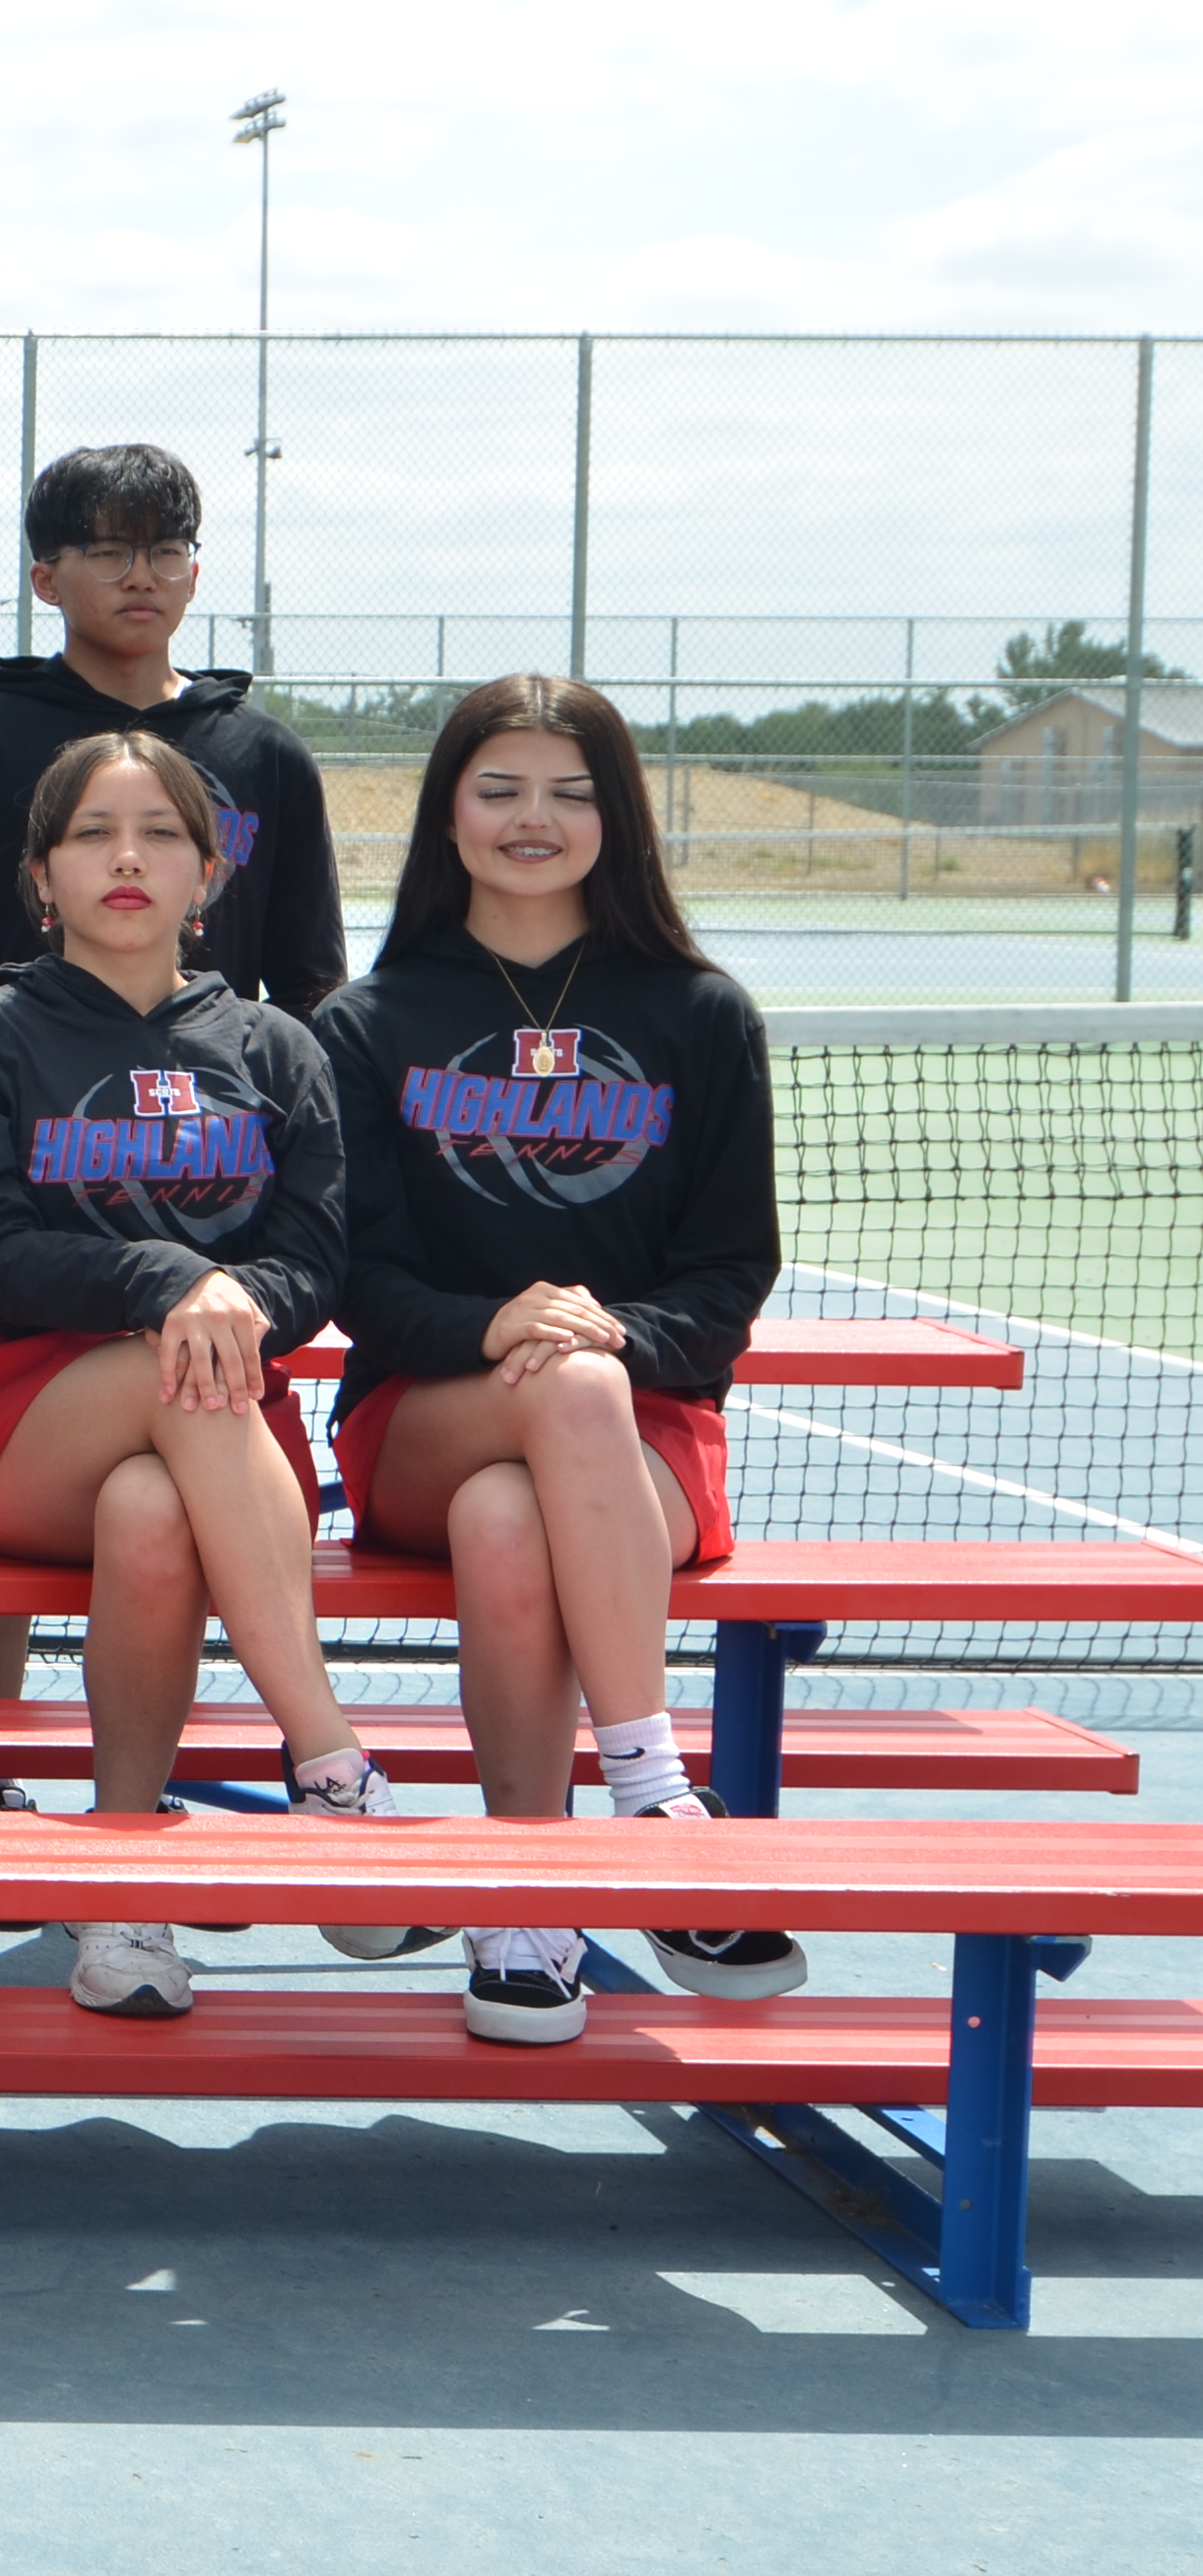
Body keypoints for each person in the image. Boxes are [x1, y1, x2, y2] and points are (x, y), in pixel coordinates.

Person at [316, 676, 796, 2043]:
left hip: (645, 1442)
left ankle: (528, 1907)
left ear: (618, 817)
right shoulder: (371, 1021)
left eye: (572, 792)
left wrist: (615, 1336)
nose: (537, 818)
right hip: (423, 1417)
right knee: (540, 1413)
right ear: (448, 812)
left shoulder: (701, 1015)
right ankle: (651, 1790)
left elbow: (729, 1269)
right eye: (503, 788)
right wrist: (500, 1327)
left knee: (515, 1513)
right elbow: (362, 1280)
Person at [0, 443, 346, 1807]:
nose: (142, 574)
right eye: (107, 548)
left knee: (158, 1477)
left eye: (168, 546)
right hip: (27, 1202)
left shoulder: (261, 752)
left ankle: (138, 1838)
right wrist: (44, 1097)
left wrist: (197, 1107)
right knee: (125, 1409)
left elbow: (309, 981)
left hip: (212, 1208)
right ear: (46, 574)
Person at [0, 729, 394, 2023]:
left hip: (215, 1436)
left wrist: (228, 1300)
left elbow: (316, 1260)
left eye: (163, 833)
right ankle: (331, 1761)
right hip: (18, 1433)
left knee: (153, 1508)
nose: (128, 858)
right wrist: (171, 1283)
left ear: (211, 871)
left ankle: (125, 1896)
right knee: (171, 1381)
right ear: (41, 876)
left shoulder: (281, 1048)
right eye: (92, 834)